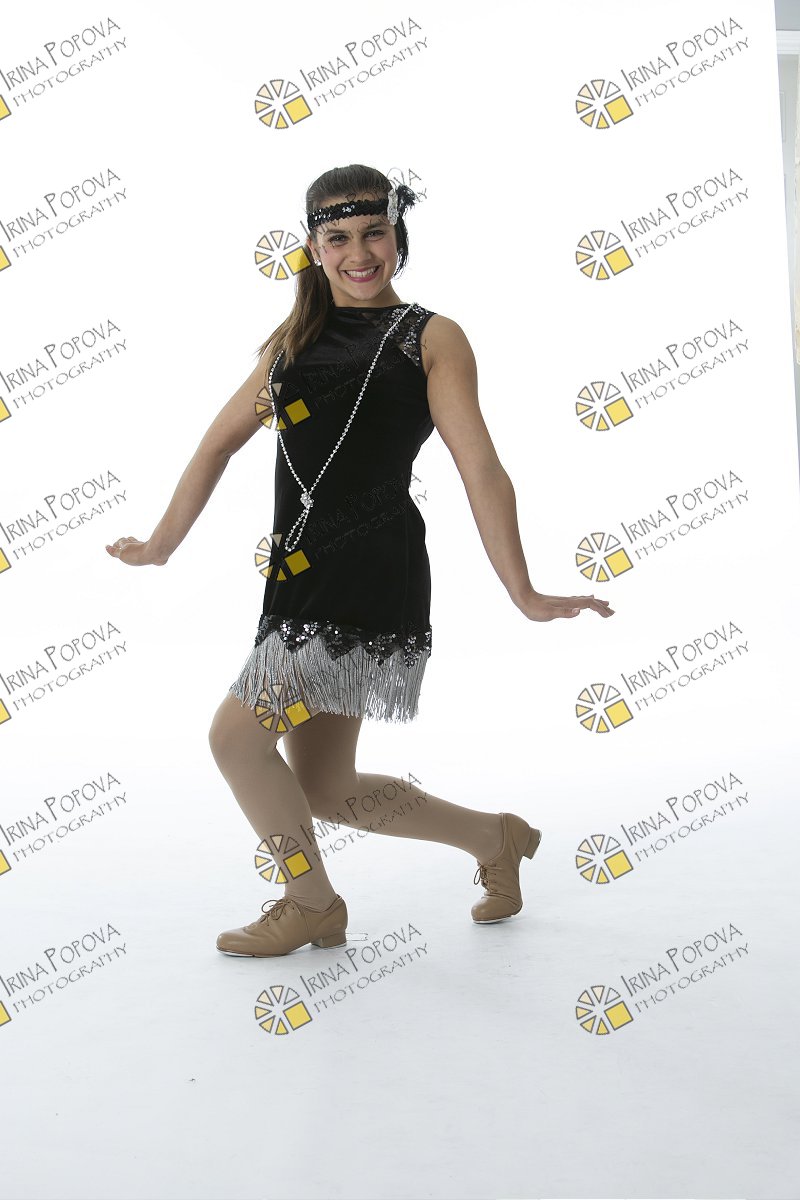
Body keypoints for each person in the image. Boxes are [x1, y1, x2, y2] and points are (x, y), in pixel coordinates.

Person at [106, 163, 614, 958]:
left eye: (374, 232)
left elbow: (480, 466)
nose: (359, 253)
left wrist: (523, 590)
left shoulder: (430, 337)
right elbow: (217, 443)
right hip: (297, 572)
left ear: (397, 235)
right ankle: (495, 838)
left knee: (235, 740)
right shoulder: (293, 342)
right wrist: (161, 543)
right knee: (328, 788)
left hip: (371, 567)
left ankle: (310, 902)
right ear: (313, 248)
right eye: (337, 238)